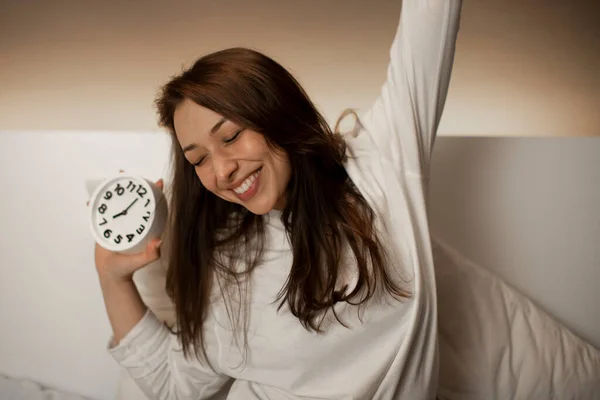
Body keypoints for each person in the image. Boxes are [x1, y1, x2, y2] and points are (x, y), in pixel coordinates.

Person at [94, 0, 463, 398]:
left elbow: (432, 16)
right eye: (198, 159)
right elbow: (172, 385)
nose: (220, 172)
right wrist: (111, 277)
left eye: (231, 137)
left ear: (275, 113)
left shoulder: (383, 161)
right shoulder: (231, 265)